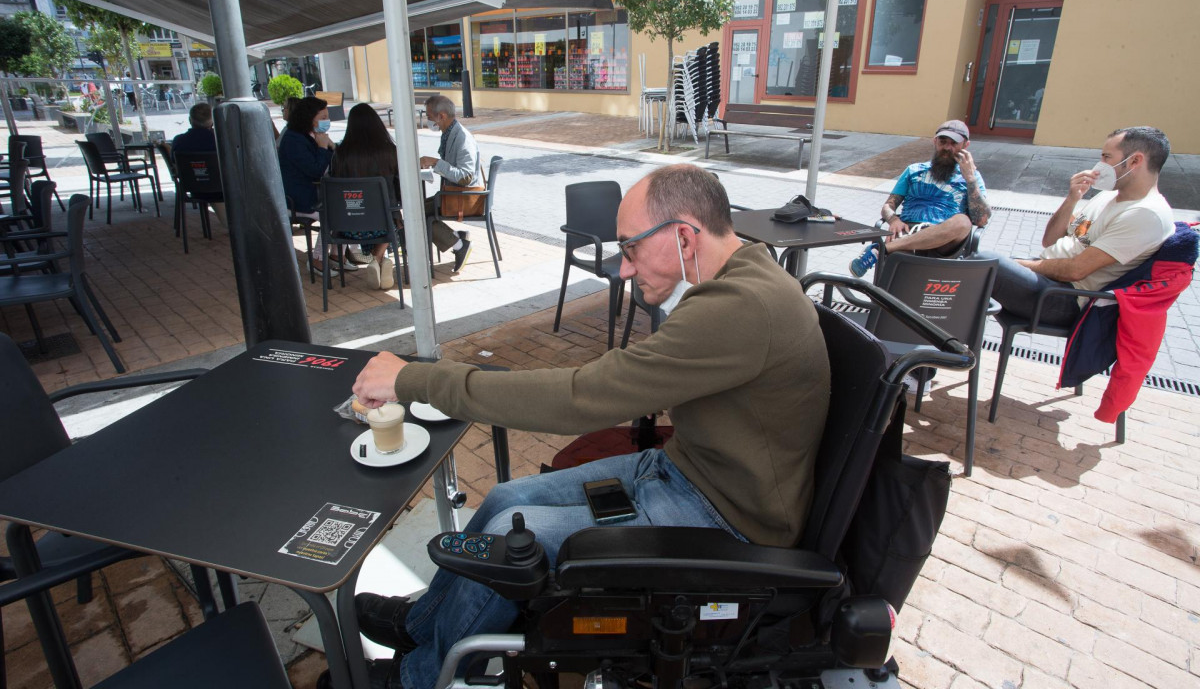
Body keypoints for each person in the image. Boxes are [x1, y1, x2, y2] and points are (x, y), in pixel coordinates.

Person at [339, 164, 832, 689]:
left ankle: (418, 677)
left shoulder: (742, 308)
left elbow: (582, 398)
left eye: (631, 248)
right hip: (685, 472)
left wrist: (417, 380)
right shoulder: (746, 273)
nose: (622, 270)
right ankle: (425, 628)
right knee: (505, 500)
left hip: (726, 518)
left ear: (684, 236)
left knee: (512, 539)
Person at [980, 126, 1175, 328]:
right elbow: (1051, 241)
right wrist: (1073, 198)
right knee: (971, 268)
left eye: (1107, 157)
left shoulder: (1146, 214)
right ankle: (956, 346)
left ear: (1134, 161)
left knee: (983, 265)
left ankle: (955, 351)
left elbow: (1076, 270)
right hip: (1048, 279)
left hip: (1068, 297)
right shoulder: (1109, 196)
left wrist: (1018, 264)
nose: (1100, 165)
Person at [850, 119, 991, 276]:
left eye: (954, 143)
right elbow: (888, 206)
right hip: (910, 230)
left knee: (963, 222)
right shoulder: (914, 170)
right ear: (935, 141)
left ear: (965, 145)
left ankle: (881, 250)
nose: (947, 148)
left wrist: (970, 179)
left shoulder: (973, 177)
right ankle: (889, 253)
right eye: (943, 142)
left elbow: (981, 220)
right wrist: (894, 220)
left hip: (945, 241)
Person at [330, 102, 403, 290]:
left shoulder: (340, 153)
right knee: (394, 218)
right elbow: (401, 189)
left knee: (374, 213)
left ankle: (378, 260)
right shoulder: (390, 151)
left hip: (348, 226)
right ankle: (378, 259)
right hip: (383, 225)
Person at [278, 95, 348, 274]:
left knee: (348, 207)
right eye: (323, 118)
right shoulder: (294, 140)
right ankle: (318, 259)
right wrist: (323, 148)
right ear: (309, 118)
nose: (327, 121)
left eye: (327, 117)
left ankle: (336, 256)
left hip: (314, 193)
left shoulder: (311, 136)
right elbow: (315, 170)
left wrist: (331, 146)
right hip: (299, 199)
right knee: (335, 214)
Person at [420, 95, 478, 273]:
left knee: (419, 215)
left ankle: (459, 245)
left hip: (465, 197)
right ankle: (456, 237)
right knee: (418, 208)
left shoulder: (461, 138)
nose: (428, 121)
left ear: (442, 116)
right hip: (453, 193)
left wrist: (436, 163)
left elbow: (465, 176)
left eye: (430, 117)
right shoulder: (449, 133)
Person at [170, 102, 226, 225]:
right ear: (212, 121)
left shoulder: (179, 141)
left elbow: (174, 164)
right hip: (223, 190)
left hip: (194, 190)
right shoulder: (221, 140)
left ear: (190, 120)